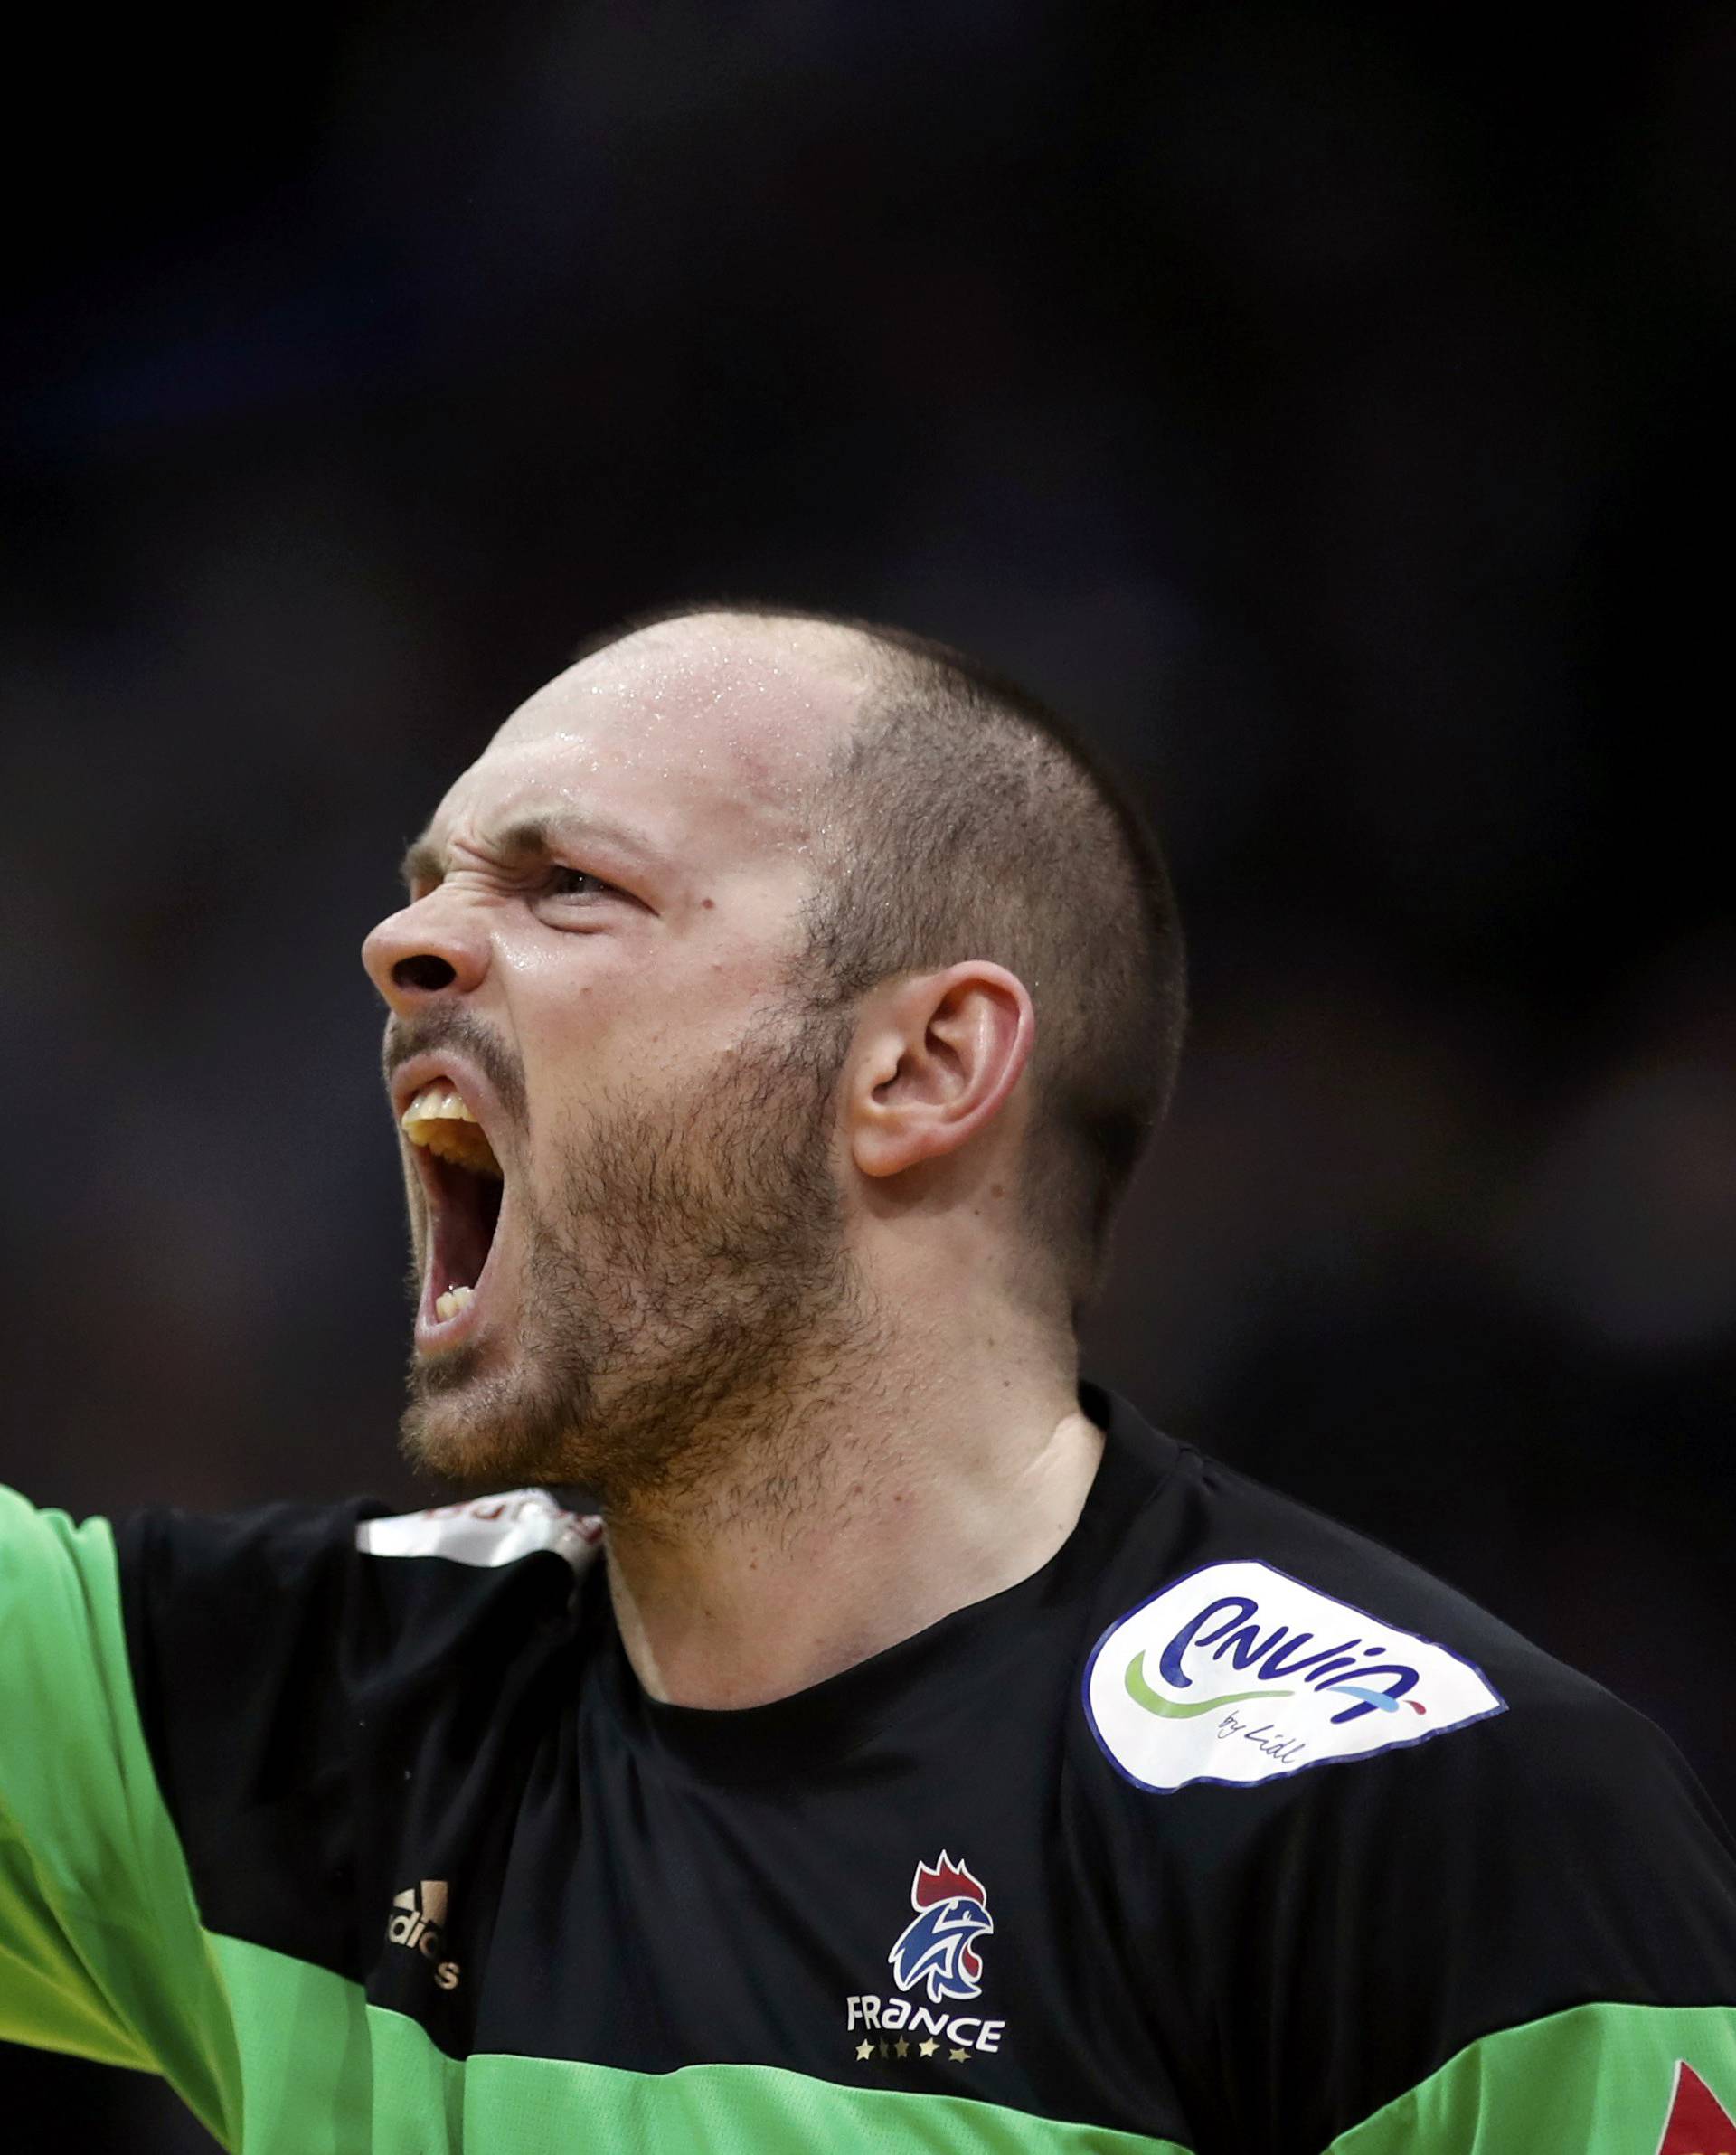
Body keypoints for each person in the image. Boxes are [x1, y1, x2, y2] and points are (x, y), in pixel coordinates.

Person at [2, 604, 1733, 2155]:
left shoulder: (1434, 1825)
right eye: (425, 886)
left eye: (568, 885)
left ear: (921, 1064)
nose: (408, 948)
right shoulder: (267, 1720)